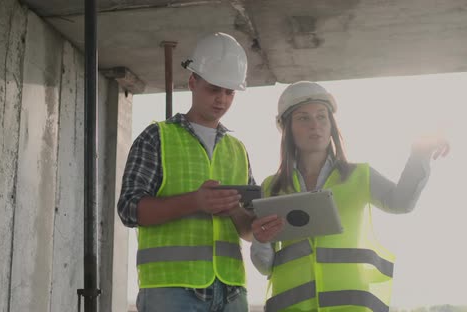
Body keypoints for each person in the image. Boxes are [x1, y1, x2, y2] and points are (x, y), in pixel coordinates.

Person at [250, 81, 450, 312]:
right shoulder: (272, 187)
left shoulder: (360, 176)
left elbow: (402, 202)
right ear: (288, 129)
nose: (315, 125)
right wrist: (261, 239)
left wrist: (420, 154)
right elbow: (265, 265)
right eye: (304, 118)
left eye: (322, 117)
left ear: (331, 124)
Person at [117, 32, 256, 312]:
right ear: (193, 82)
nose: (221, 100)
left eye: (229, 92)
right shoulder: (156, 136)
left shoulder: (238, 149)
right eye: (214, 89)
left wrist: (252, 223)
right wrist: (195, 201)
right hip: (171, 290)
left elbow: (247, 229)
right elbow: (129, 209)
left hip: (231, 291)